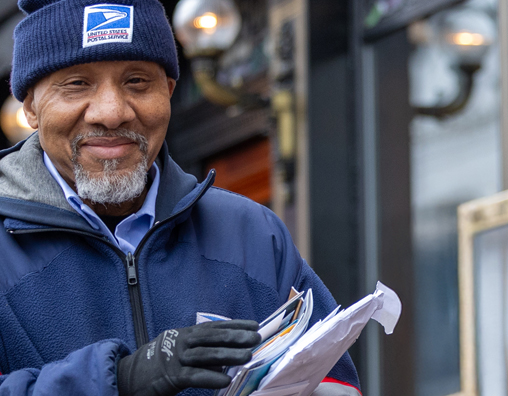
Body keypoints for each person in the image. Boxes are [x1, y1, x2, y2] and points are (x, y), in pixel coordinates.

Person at [0, 0, 361, 395]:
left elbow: (335, 380)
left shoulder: (253, 234)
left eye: (137, 81)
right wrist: (117, 380)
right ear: (31, 106)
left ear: (169, 91)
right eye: (76, 84)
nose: (111, 112)